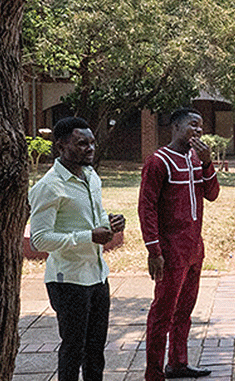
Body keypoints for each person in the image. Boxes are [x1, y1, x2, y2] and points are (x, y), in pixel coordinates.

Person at [29, 116, 126, 381]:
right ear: (60, 147)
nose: (90, 148)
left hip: (97, 276)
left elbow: (95, 218)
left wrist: (111, 223)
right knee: (73, 349)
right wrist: (87, 237)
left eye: (92, 142)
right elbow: (39, 239)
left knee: (96, 351)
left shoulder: (91, 176)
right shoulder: (49, 187)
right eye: (81, 143)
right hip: (68, 280)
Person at [138, 107, 220, 380]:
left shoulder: (197, 158)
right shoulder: (159, 161)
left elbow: (212, 195)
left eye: (200, 127)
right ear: (175, 127)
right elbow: (146, 207)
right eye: (192, 125)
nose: (197, 131)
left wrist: (208, 163)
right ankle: (154, 371)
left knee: (185, 310)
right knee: (162, 313)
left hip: (194, 248)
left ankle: (178, 362)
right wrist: (154, 250)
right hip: (170, 250)